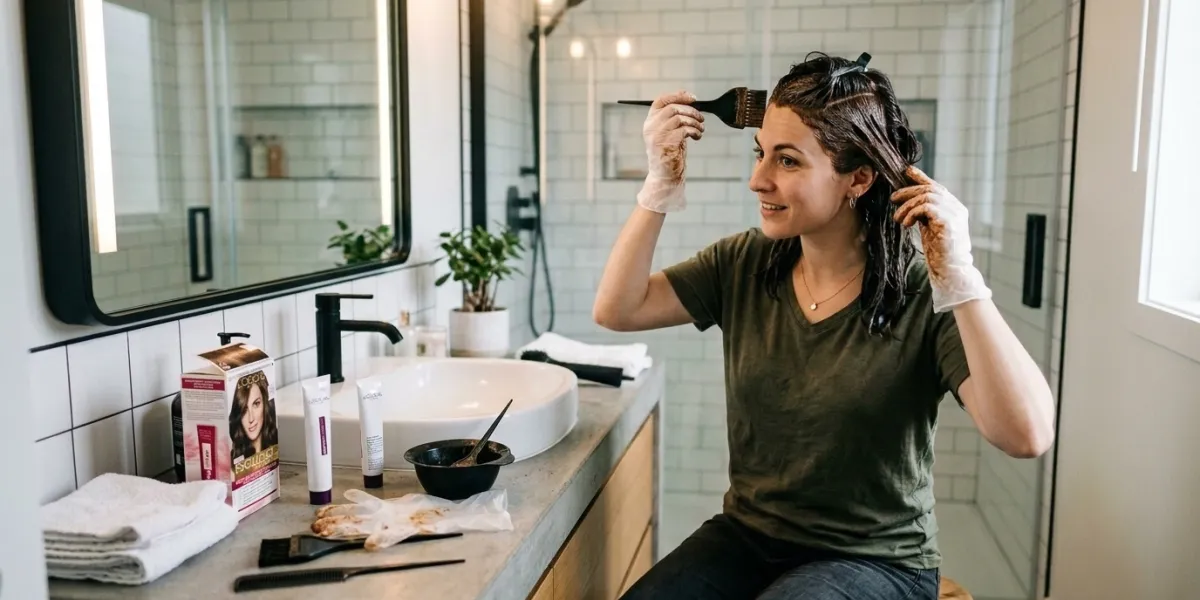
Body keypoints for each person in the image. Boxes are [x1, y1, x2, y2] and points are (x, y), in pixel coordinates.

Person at [595, 52, 1056, 600]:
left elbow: (1026, 435)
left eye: (787, 162)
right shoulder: (746, 264)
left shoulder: (921, 290)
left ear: (857, 179)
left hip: (877, 560)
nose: (757, 180)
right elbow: (618, 310)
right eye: (761, 153)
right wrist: (658, 187)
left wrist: (962, 280)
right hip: (749, 537)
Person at [229, 370, 278, 462]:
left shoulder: (275, 450)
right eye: (244, 410)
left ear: (265, 405)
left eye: (256, 404)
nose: (251, 418)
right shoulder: (233, 463)